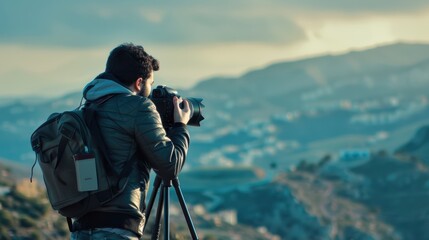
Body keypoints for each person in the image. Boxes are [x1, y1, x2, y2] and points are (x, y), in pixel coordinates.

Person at [70, 43, 191, 240]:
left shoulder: (89, 107)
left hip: (82, 229)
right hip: (116, 229)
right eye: (150, 83)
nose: (150, 92)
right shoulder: (139, 107)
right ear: (139, 82)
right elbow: (169, 166)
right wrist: (180, 126)